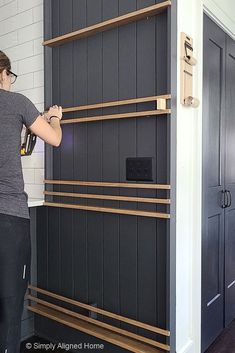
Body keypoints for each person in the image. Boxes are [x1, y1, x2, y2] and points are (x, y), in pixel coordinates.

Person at [0, 50, 63, 353]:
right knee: (11, 306)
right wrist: (54, 118)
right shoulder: (17, 103)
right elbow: (54, 139)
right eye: (10, 77)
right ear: (3, 73)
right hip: (10, 218)